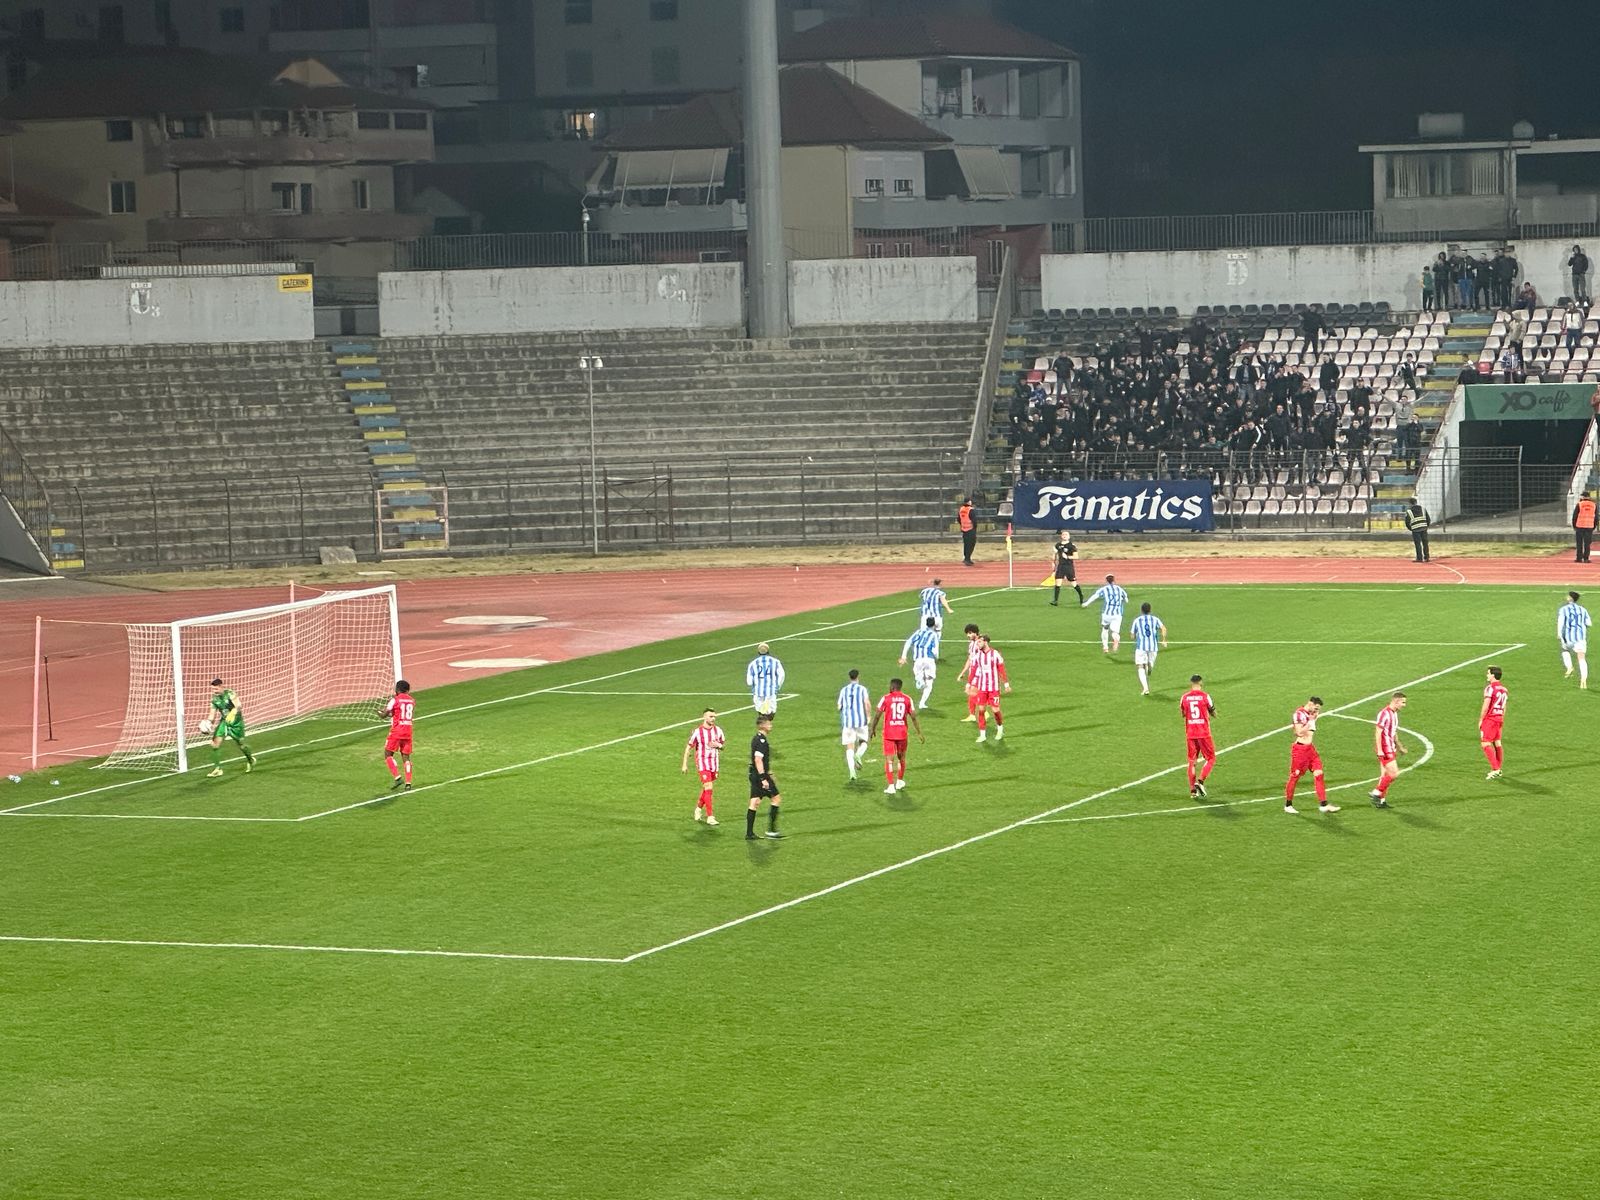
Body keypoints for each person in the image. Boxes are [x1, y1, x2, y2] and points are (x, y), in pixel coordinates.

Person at [868, 676, 924, 794]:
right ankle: (899, 781)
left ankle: (891, 786)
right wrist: (919, 732)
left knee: (889, 760)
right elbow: (913, 717)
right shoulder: (908, 699)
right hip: (902, 733)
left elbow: (877, 715)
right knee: (901, 758)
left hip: (889, 733)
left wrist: (872, 729)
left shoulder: (886, 698)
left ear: (892, 687)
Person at [1284, 695, 1339, 814]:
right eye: (1316, 708)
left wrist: (1313, 718)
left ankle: (1323, 804)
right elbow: (1298, 732)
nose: (1317, 711)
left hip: (1310, 750)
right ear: (1310, 704)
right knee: (1295, 777)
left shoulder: (1312, 714)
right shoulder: (1299, 714)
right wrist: (1311, 721)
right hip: (1300, 751)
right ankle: (1288, 805)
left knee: (1319, 774)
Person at [203, 676, 256, 778]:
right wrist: (208, 723)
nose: (214, 691)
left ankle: (250, 759)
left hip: (236, 723)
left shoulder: (230, 693)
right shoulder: (214, 699)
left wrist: (233, 712)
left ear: (221, 686)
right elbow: (212, 715)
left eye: (216, 689)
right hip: (224, 723)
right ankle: (218, 769)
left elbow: (239, 706)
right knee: (214, 744)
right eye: (213, 689)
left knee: (241, 745)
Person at [681, 709, 725, 825]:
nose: (713, 719)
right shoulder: (698, 732)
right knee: (709, 787)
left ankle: (698, 809)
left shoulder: (718, 730)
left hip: (714, 764)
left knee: (707, 789)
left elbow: (722, 745)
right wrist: (684, 764)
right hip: (702, 763)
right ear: (704, 717)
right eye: (711, 716)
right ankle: (710, 817)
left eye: (714, 716)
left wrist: (718, 745)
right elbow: (688, 747)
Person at [1369, 692, 1408, 809]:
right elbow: (1378, 732)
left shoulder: (1394, 714)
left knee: (1385, 775)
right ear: (1396, 701)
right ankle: (1376, 792)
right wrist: (1380, 750)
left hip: (1391, 747)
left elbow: (1393, 732)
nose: (1404, 705)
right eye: (1403, 702)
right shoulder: (1384, 713)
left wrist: (1399, 746)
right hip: (1385, 748)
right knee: (1394, 773)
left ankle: (1381, 801)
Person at [969, 634, 1011, 744]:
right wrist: (969, 683)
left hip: (994, 688)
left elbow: (1001, 669)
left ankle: (1000, 729)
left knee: (995, 710)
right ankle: (982, 735)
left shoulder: (995, 654)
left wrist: (1006, 684)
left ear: (986, 642)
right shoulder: (978, 656)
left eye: (979, 642)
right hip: (982, 687)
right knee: (981, 710)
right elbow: (973, 670)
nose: (977, 644)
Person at [1179, 675, 1216, 799]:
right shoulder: (1205, 696)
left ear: (1191, 683)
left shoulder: (1184, 697)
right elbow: (1213, 712)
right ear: (1201, 683)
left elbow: (1183, 714)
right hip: (1204, 733)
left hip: (1190, 733)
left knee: (1192, 762)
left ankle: (1193, 791)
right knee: (1211, 758)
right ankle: (1200, 781)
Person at [746, 715, 782, 839]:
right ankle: (772, 831)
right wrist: (764, 778)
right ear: (762, 725)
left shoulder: (756, 738)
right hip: (760, 776)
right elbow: (758, 760)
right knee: (776, 799)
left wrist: (770, 772)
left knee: (754, 802)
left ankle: (749, 833)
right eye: (769, 723)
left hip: (755, 774)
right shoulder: (761, 741)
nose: (771, 725)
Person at [836, 669, 872, 780]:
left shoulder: (843, 690)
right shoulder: (862, 689)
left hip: (848, 722)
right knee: (864, 741)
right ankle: (858, 755)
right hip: (861, 721)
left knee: (849, 746)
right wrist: (868, 716)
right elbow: (867, 703)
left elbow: (839, 706)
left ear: (849, 677)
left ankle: (852, 771)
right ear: (858, 677)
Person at [899, 616, 941, 708]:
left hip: (918, 660)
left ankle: (919, 680)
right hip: (929, 660)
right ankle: (922, 703)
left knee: (919, 676)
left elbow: (908, 642)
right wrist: (936, 658)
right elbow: (936, 651)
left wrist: (903, 656)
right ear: (934, 625)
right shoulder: (934, 635)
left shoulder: (919, 632)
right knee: (929, 682)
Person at [1083, 573, 1129, 654]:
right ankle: (1115, 639)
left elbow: (1095, 596)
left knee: (1105, 629)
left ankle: (1105, 647)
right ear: (1114, 580)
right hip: (1117, 614)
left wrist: (1087, 603)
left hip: (1107, 614)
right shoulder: (1119, 589)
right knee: (1115, 632)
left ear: (1106, 581)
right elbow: (1126, 599)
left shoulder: (1104, 589)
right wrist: (1122, 599)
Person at [1129, 602, 1168, 696]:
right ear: (1150, 610)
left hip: (1141, 647)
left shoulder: (1137, 620)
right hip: (1153, 647)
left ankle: (1145, 688)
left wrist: (1135, 636)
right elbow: (1163, 628)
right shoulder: (1155, 619)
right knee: (1148, 665)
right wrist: (1163, 640)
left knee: (1140, 666)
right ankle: (1149, 665)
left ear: (1141, 610)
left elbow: (1132, 636)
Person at [383, 679, 415, 791]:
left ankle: (397, 777)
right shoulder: (412, 700)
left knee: (388, 754)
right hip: (408, 731)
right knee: (406, 757)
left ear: (397, 689)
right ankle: (408, 783)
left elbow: (384, 715)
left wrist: (379, 713)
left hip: (397, 731)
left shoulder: (394, 700)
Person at [1480, 665, 1508, 780]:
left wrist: (1481, 719)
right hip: (1499, 718)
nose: (1487, 675)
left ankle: (1496, 769)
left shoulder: (1490, 688)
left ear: (1492, 675)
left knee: (1485, 743)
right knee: (1497, 742)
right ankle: (1498, 769)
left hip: (1490, 719)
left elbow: (1486, 706)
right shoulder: (1504, 690)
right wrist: (1501, 719)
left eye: (1488, 673)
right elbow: (1504, 706)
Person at [1558, 591, 1591, 689]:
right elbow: (1589, 623)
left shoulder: (1563, 609)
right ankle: (1583, 680)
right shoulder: (1583, 610)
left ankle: (1569, 667)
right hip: (1580, 638)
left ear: (1570, 598)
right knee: (1581, 658)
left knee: (1565, 650)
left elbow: (1561, 622)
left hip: (1568, 638)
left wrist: (1559, 634)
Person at [745, 642, 785, 718]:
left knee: (761, 714)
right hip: (771, 691)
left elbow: (749, 682)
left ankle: (762, 728)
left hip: (758, 692)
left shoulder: (753, 663)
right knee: (770, 714)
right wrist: (777, 686)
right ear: (768, 651)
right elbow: (781, 675)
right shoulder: (775, 662)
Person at [957, 622, 982, 722]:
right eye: (967, 633)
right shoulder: (971, 644)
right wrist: (963, 672)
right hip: (972, 672)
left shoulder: (980, 643)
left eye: (970, 633)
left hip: (979, 672)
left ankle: (982, 712)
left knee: (971, 691)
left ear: (975, 633)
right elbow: (970, 659)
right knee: (971, 692)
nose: (968, 635)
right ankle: (972, 715)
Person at [1049, 532, 1083, 605]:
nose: (1064, 536)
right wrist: (1053, 562)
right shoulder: (1057, 545)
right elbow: (1054, 554)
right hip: (1061, 566)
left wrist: (1067, 557)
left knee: (1073, 583)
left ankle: (1081, 596)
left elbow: (1076, 556)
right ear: (1061, 536)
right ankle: (1055, 601)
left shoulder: (1072, 546)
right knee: (1058, 583)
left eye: (1066, 535)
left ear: (1069, 537)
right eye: (1063, 535)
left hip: (1069, 566)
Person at [1404, 497, 1431, 563]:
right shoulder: (1423, 509)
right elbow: (1428, 519)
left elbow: (1407, 522)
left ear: (1410, 504)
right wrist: (1426, 526)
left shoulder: (1409, 511)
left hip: (1415, 529)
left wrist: (1411, 528)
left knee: (1418, 544)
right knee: (1425, 543)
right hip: (1424, 528)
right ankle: (1427, 557)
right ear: (1416, 502)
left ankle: (1419, 558)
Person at [1572, 490, 1596, 563]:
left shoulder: (1579, 504)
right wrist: (1593, 526)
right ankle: (1586, 558)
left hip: (1579, 526)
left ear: (1582, 496)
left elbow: (1575, 516)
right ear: (1589, 497)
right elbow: (1596, 518)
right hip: (1589, 526)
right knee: (1587, 543)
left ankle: (1579, 558)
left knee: (1579, 543)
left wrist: (1574, 526)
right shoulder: (1594, 505)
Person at [957, 497, 977, 566]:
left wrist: (962, 525)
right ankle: (967, 559)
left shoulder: (961, 509)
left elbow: (958, 519)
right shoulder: (971, 510)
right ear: (969, 502)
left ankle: (966, 558)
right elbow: (974, 521)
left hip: (964, 529)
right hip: (970, 529)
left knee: (966, 544)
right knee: (971, 544)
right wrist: (974, 528)